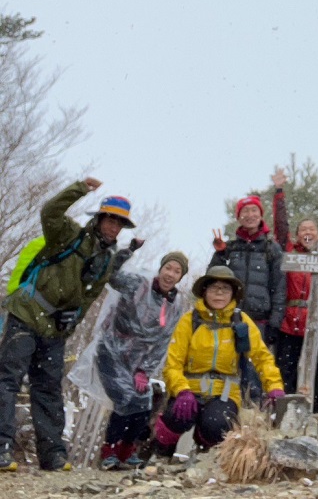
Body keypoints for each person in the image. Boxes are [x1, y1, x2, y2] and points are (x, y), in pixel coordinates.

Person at [0, 179, 135, 473]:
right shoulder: (68, 234)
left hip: (55, 330)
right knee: (8, 380)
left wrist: (71, 321)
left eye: (119, 223)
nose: (113, 227)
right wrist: (80, 189)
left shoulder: (106, 260)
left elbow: (88, 297)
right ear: (100, 218)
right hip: (26, 314)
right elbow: (50, 210)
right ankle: (1, 449)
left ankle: (53, 456)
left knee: (48, 389)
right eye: (110, 219)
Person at [150, 266, 284, 458]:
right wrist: (181, 390)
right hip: (189, 388)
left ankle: (205, 450)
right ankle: (161, 451)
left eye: (225, 288)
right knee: (177, 417)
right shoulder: (190, 321)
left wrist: (274, 386)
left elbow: (262, 357)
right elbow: (173, 363)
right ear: (205, 291)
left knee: (217, 426)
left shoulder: (241, 321)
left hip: (225, 392)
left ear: (233, 294)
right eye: (214, 288)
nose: (219, 293)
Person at [96, 251, 190, 470]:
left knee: (144, 401)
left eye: (177, 271)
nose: (171, 274)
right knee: (125, 399)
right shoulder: (138, 284)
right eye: (168, 268)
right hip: (111, 351)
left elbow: (163, 340)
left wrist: (144, 370)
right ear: (161, 268)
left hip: (136, 360)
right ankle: (109, 450)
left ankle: (126, 451)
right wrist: (125, 253)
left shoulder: (175, 304)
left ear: (181, 277)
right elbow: (111, 276)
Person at [209, 189, 286, 399]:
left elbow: (280, 287)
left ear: (261, 215)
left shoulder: (272, 249)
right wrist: (219, 254)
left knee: (255, 376)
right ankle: (226, 418)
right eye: (245, 211)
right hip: (230, 319)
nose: (249, 215)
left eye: (254, 210)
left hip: (260, 321)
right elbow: (212, 279)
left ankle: (252, 422)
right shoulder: (231, 248)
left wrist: (275, 323)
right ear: (238, 217)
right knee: (228, 370)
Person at [271, 168, 318, 410]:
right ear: (297, 235)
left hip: (314, 326)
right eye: (303, 230)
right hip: (289, 323)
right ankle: (281, 415)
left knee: (314, 373)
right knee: (286, 371)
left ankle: (312, 416)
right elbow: (281, 225)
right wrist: (279, 193)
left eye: (311, 230)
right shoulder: (290, 253)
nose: (307, 233)